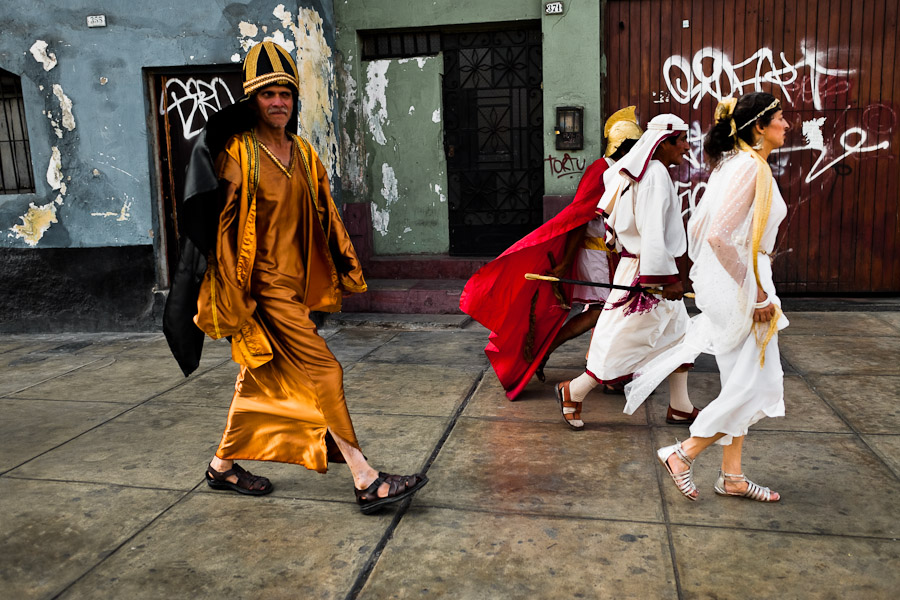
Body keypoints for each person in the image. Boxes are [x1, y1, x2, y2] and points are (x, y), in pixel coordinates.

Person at [164, 41, 426, 514]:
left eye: (285, 91)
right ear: (253, 100)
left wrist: (343, 268)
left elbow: (325, 217)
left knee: (258, 379)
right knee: (325, 371)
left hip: (298, 286)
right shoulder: (238, 155)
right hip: (262, 291)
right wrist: (233, 297)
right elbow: (222, 233)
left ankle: (221, 466)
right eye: (268, 94)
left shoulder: (303, 153)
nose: (278, 101)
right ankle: (366, 478)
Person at [624, 93, 790, 502]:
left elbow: (703, 232)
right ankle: (684, 453)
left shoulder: (733, 164)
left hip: (736, 282)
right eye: (781, 119)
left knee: (741, 380)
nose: (788, 126)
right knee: (758, 385)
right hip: (745, 285)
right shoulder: (750, 167)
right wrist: (756, 294)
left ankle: (731, 476)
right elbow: (717, 236)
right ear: (759, 127)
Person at [459, 107, 643, 400]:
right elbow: (578, 221)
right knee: (600, 312)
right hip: (592, 254)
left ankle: (607, 372)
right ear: (625, 148)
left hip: (608, 255)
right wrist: (566, 262)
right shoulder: (602, 171)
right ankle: (545, 351)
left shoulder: (619, 171)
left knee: (611, 312)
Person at [554, 114, 699, 430]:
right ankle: (573, 390)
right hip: (646, 274)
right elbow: (651, 233)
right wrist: (664, 281)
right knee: (623, 339)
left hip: (644, 268)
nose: (687, 147)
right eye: (683, 140)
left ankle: (680, 406)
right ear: (664, 141)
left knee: (680, 335)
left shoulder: (641, 171)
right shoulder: (655, 173)